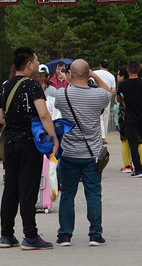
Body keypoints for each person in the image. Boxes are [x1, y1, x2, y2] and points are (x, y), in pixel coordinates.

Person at [0, 46, 59, 250]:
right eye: (37, 62)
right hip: (29, 144)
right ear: (30, 64)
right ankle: (30, 236)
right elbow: (43, 114)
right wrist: (53, 138)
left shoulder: (5, 86)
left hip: (10, 144)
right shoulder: (33, 86)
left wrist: (14, 124)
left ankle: (6, 235)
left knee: (10, 189)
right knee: (28, 189)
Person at [54, 59, 111, 247]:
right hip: (92, 153)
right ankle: (95, 234)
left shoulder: (62, 94)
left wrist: (71, 79)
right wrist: (94, 75)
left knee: (68, 194)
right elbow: (108, 92)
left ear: (70, 74)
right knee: (93, 194)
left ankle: (64, 235)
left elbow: (70, 89)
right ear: (88, 74)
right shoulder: (98, 96)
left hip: (70, 152)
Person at [92, 59, 116, 141]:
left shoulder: (94, 73)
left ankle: (100, 136)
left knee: (99, 117)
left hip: (95, 97)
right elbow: (113, 89)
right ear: (108, 66)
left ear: (100, 65)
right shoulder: (111, 76)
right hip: (107, 97)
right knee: (106, 117)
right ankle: (104, 136)